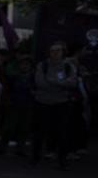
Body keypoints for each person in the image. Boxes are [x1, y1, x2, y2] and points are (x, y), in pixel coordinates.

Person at [31, 41, 78, 170]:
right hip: (43, 103)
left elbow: (73, 83)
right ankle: (35, 158)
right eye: (52, 51)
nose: (55, 53)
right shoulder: (42, 65)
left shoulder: (69, 66)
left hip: (62, 104)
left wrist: (52, 81)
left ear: (63, 52)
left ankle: (62, 160)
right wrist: (61, 84)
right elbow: (40, 83)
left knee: (63, 133)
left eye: (58, 50)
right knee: (39, 132)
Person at [0, 55, 35, 156]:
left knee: (24, 128)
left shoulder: (34, 77)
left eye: (27, 64)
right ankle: (2, 148)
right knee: (8, 127)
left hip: (28, 105)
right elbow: (7, 89)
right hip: (14, 104)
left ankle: (20, 148)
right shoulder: (14, 77)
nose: (25, 66)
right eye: (22, 64)